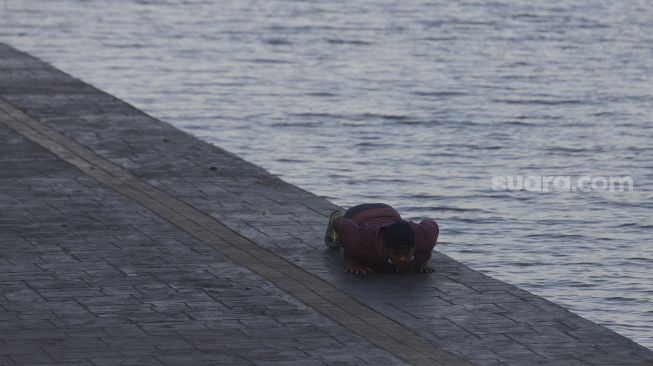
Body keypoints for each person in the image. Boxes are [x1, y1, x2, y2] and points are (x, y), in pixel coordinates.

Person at [324, 203, 439, 273]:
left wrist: (424, 258)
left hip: (389, 211)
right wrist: (351, 261)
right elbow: (342, 224)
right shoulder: (362, 242)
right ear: (386, 248)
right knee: (337, 241)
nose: (402, 259)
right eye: (396, 254)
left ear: (414, 245)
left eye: (407, 253)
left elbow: (431, 223)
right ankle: (336, 216)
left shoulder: (425, 238)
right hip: (357, 213)